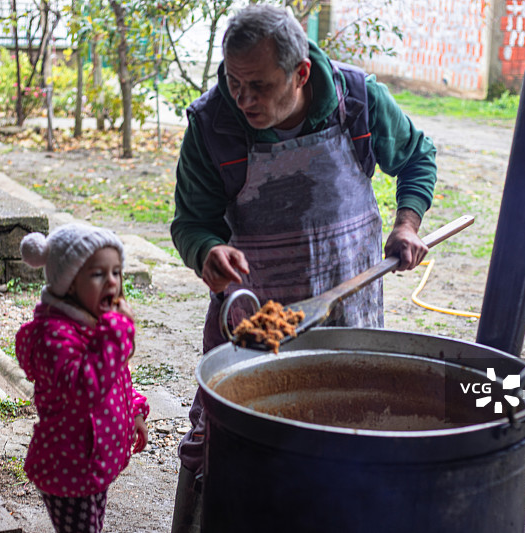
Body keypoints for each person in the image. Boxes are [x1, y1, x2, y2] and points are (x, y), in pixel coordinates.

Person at [169, 5, 437, 531]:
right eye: (233, 82)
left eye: (259, 86)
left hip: (350, 317)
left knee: (346, 441)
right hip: (254, 326)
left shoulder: (357, 102)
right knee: (231, 446)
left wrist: (407, 224)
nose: (243, 99)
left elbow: (416, 156)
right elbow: (192, 222)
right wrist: (207, 251)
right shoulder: (214, 125)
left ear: (301, 73)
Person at [15, 223, 149, 533]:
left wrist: (135, 410)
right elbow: (84, 390)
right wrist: (116, 335)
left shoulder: (94, 326)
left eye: (116, 272)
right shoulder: (53, 336)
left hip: (92, 463)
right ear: (69, 284)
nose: (112, 281)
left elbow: (115, 378)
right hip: (69, 469)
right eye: (98, 274)